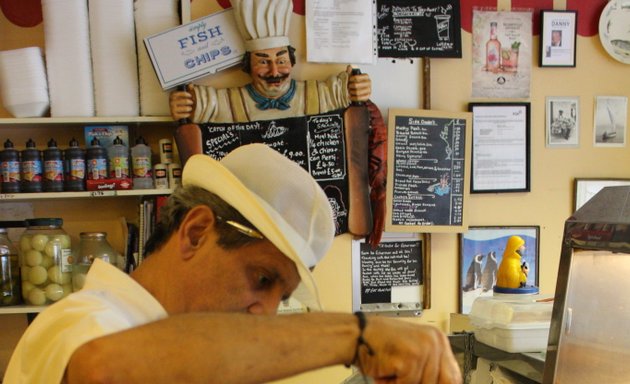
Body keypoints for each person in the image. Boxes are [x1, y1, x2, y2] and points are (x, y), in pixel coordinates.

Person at [4, 144, 462, 384]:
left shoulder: (187, 354)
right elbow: (104, 371)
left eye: (279, 296)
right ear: (196, 232)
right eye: (261, 279)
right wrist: (357, 334)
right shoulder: (83, 320)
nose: (264, 311)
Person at [169, 0, 387, 247]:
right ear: (247, 65)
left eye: (281, 60)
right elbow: (199, 104)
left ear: (292, 61)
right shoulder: (231, 103)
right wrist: (183, 104)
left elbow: (345, 90)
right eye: (263, 61)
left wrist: (359, 87)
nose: (275, 71)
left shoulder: (315, 96)